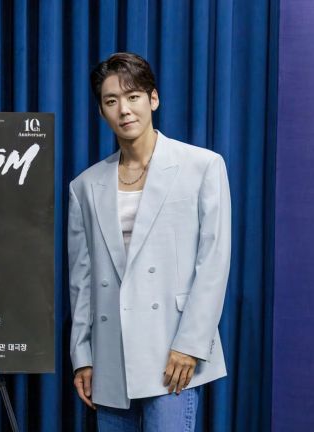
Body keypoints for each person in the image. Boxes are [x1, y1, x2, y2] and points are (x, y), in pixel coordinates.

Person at [67, 52, 231, 431]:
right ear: (101, 111)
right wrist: (83, 356)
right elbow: (82, 281)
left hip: (171, 350)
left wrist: (191, 344)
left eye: (133, 96)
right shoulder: (85, 186)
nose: (124, 110)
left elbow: (214, 262)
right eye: (111, 101)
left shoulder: (202, 166)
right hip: (111, 354)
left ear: (153, 99)